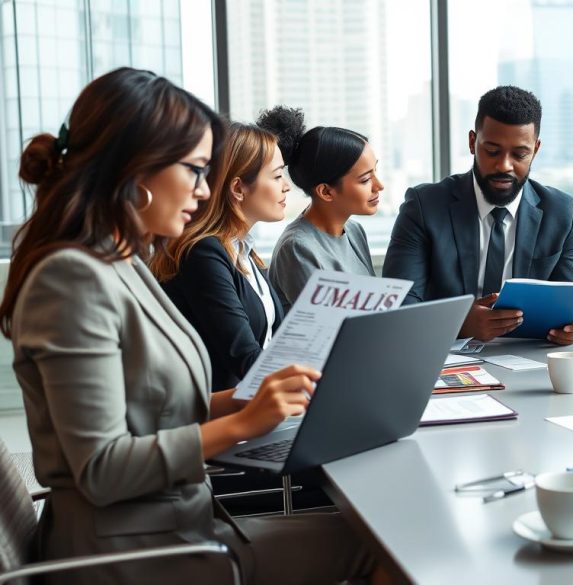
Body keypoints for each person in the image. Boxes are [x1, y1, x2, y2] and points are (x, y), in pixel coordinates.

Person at [1, 67, 382, 584]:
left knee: (369, 530)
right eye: (196, 171)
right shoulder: (70, 280)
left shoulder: (124, 263)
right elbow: (100, 468)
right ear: (137, 170)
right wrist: (242, 424)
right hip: (130, 555)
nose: (205, 191)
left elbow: (154, 407)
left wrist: (253, 397)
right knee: (378, 548)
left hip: (182, 524)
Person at [382, 85, 573, 345]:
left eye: (519, 154)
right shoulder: (424, 206)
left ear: (535, 149)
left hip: (531, 359)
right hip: (444, 356)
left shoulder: (563, 212)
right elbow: (399, 305)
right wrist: (459, 323)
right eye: (492, 151)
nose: (504, 165)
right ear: (472, 142)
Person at [149, 122, 288, 391]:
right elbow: (244, 358)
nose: (286, 187)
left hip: (256, 407)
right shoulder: (203, 253)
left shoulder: (245, 252)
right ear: (238, 189)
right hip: (223, 418)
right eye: (277, 176)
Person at [257, 106, 382, 314]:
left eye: (375, 172)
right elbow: (326, 330)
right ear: (325, 191)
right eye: (366, 179)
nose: (379, 185)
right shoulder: (297, 247)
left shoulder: (354, 231)